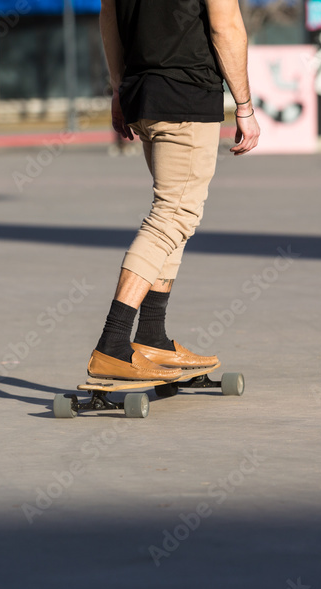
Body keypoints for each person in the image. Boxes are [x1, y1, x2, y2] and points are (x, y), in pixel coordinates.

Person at [88, 0, 260, 381]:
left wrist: (118, 88)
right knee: (172, 216)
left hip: (142, 93)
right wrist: (244, 106)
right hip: (186, 94)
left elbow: (109, 18)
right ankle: (112, 344)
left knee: (177, 212)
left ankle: (152, 337)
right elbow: (226, 27)